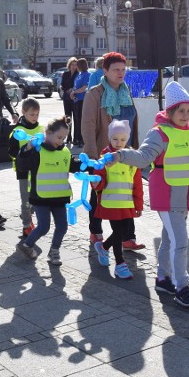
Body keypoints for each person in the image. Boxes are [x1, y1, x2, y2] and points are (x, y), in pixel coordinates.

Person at [110, 81, 189, 307]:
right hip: (166, 197)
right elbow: (142, 158)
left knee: (170, 239)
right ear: (170, 112)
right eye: (181, 111)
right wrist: (121, 155)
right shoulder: (160, 133)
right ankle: (182, 287)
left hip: (186, 197)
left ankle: (162, 279)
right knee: (181, 242)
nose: (186, 115)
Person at [81, 51, 144, 250]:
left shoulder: (126, 91)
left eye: (123, 70)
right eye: (116, 69)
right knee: (98, 194)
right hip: (102, 155)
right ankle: (96, 231)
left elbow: (132, 123)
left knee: (126, 193)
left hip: (125, 154)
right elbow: (88, 125)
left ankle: (127, 237)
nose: (121, 73)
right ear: (105, 70)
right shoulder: (95, 94)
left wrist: (135, 150)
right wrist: (93, 157)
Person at [15, 117, 75, 266]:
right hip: (40, 198)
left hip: (59, 197)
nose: (61, 141)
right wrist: (26, 149)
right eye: (59, 137)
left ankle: (54, 251)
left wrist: (92, 165)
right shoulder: (37, 150)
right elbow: (22, 165)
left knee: (62, 227)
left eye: (64, 138)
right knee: (43, 227)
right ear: (47, 134)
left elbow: (73, 165)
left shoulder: (65, 151)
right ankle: (26, 245)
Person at [92, 120, 144, 280]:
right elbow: (99, 177)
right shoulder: (105, 156)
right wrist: (97, 183)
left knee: (122, 232)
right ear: (109, 138)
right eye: (115, 138)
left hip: (127, 203)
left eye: (122, 139)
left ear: (127, 139)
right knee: (119, 231)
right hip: (111, 201)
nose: (119, 142)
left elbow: (137, 183)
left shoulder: (132, 156)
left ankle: (103, 247)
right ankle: (120, 265)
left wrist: (139, 204)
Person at [8, 97, 43, 237]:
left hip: (39, 170)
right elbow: (11, 151)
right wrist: (24, 152)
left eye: (37, 114)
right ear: (23, 112)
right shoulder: (17, 131)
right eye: (31, 114)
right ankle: (26, 226)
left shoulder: (41, 129)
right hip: (23, 171)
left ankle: (27, 215)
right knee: (25, 200)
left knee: (36, 199)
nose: (35, 117)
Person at [71, 58, 89, 147]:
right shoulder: (79, 74)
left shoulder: (87, 75)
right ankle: (77, 138)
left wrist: (75, 92)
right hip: (76, 100)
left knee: (82, 121)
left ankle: (82, 140)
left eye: (77, 65)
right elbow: (76, 87)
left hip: (83, 100)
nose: (76, 67)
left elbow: (85, 87)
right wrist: (73, 93)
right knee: (77, 120)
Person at [60, 57, 78, 145]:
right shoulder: (66, 74)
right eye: (72, 65)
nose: (74, 67)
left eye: (75, 65)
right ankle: (68, 136)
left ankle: (76, 138)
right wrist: (65, 89)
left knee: (76, 118)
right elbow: (62, 84)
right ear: (69, 65)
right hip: (66, 98)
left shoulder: (78, 74)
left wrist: (73, 89)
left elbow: (79, 85)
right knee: (67, 118)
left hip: (75, 98)